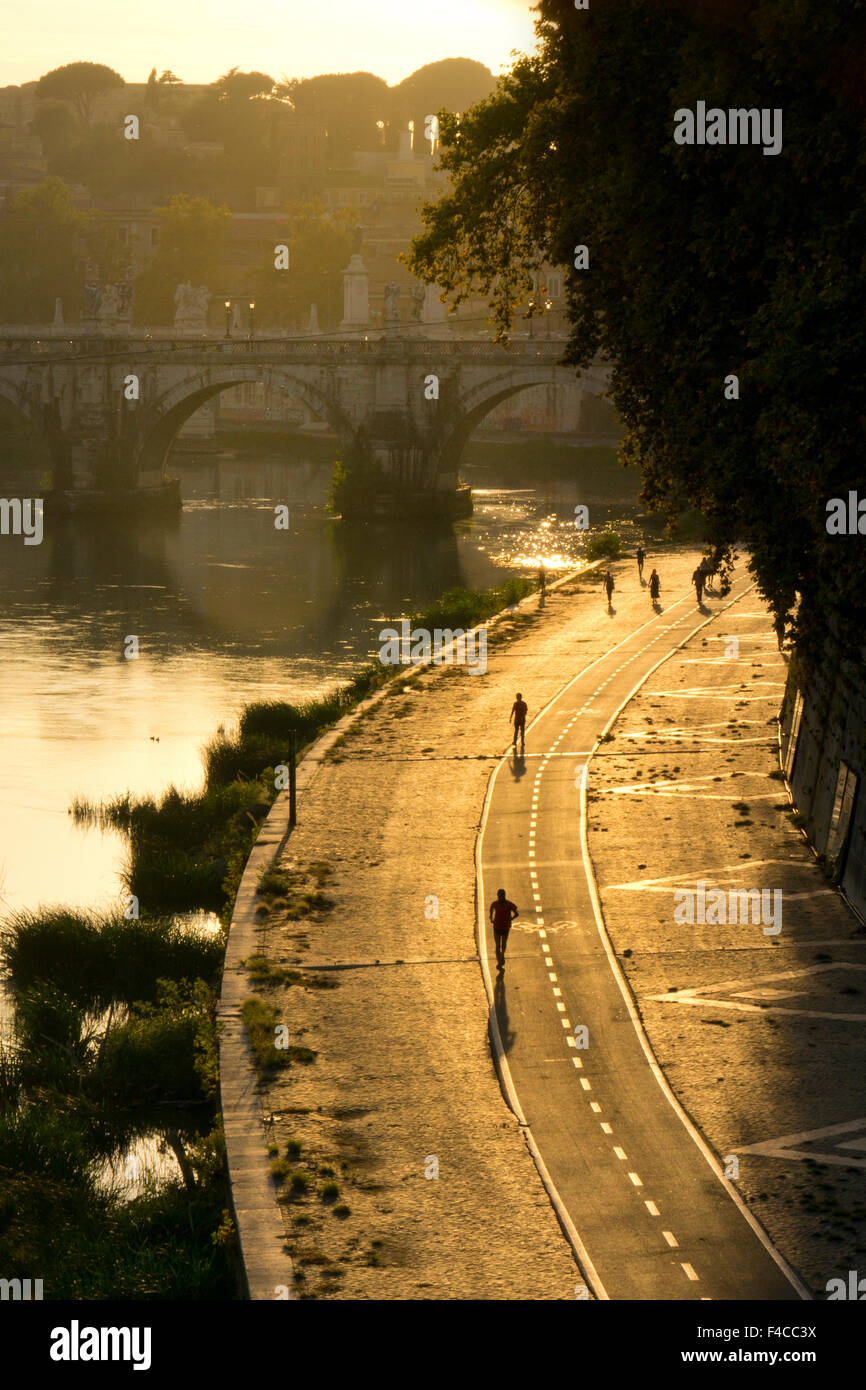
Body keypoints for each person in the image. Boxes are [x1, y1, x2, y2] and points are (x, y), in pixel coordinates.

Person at [490, 888, 519, 972]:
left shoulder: (496, 904)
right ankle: (500, 960)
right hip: (501, 927)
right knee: (500, 944)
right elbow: (516, 914)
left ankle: (500, 959)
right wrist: (511, 919)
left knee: (500, 945)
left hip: (501, 927)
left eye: (500, 896)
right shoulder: (508, 904)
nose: (500, 897)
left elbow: (491, 909)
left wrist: (491, 918)